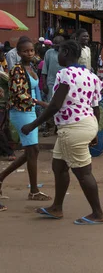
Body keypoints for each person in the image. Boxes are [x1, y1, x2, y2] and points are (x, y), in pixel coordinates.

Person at [21, 40, 103, 224]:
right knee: (59, 167)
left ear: (66, 52)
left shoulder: (65, 74)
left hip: (72, 127)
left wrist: (32, 125)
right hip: (87, 124)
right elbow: (96, 107)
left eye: (59, 51)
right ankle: (57, 207)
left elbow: (55, 105)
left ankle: (98, 213)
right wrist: (95, 134)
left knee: (83, 173)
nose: (56, 55)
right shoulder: (90, 75)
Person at [0, 37, 51, 204]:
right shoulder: (17, 69)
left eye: (31, 50)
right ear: (18, 52)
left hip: (30, 111)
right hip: (20, 112)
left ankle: (2, 177)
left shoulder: (31, 67)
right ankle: (34, 191)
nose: (29, 53)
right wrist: (40, 102)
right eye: (25, 51)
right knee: (32, 150)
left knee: (33, 151)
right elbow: (18, 92)